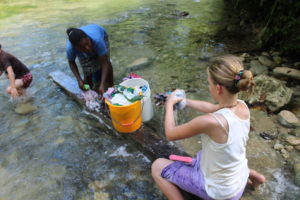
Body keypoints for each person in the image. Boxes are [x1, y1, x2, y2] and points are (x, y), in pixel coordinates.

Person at [151, 55, 266, 200]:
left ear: (218, 88)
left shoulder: (210, 122)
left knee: (157, 166)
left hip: (221, 193)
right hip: (239, 177)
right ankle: (256, 177)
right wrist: (184, 102)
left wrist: (169, 106)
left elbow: (170, 133)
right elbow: (213, 107)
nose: (208, 86)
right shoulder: (242, 106)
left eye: (208, 83)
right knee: (205, 155)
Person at [66, 24, 114, 96]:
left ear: (88, 38)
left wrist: (102, 84)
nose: (87, 48)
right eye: (83, 47)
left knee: (106, 62)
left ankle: (111, 86)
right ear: (76, 48)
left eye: (87, 43)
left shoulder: (97, 40)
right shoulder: (70, 49)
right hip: (84, 47)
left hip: (100, 36)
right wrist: (79, 80)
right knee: (88, 71)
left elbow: (104, 63)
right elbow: (71, 62)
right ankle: (92, 91)